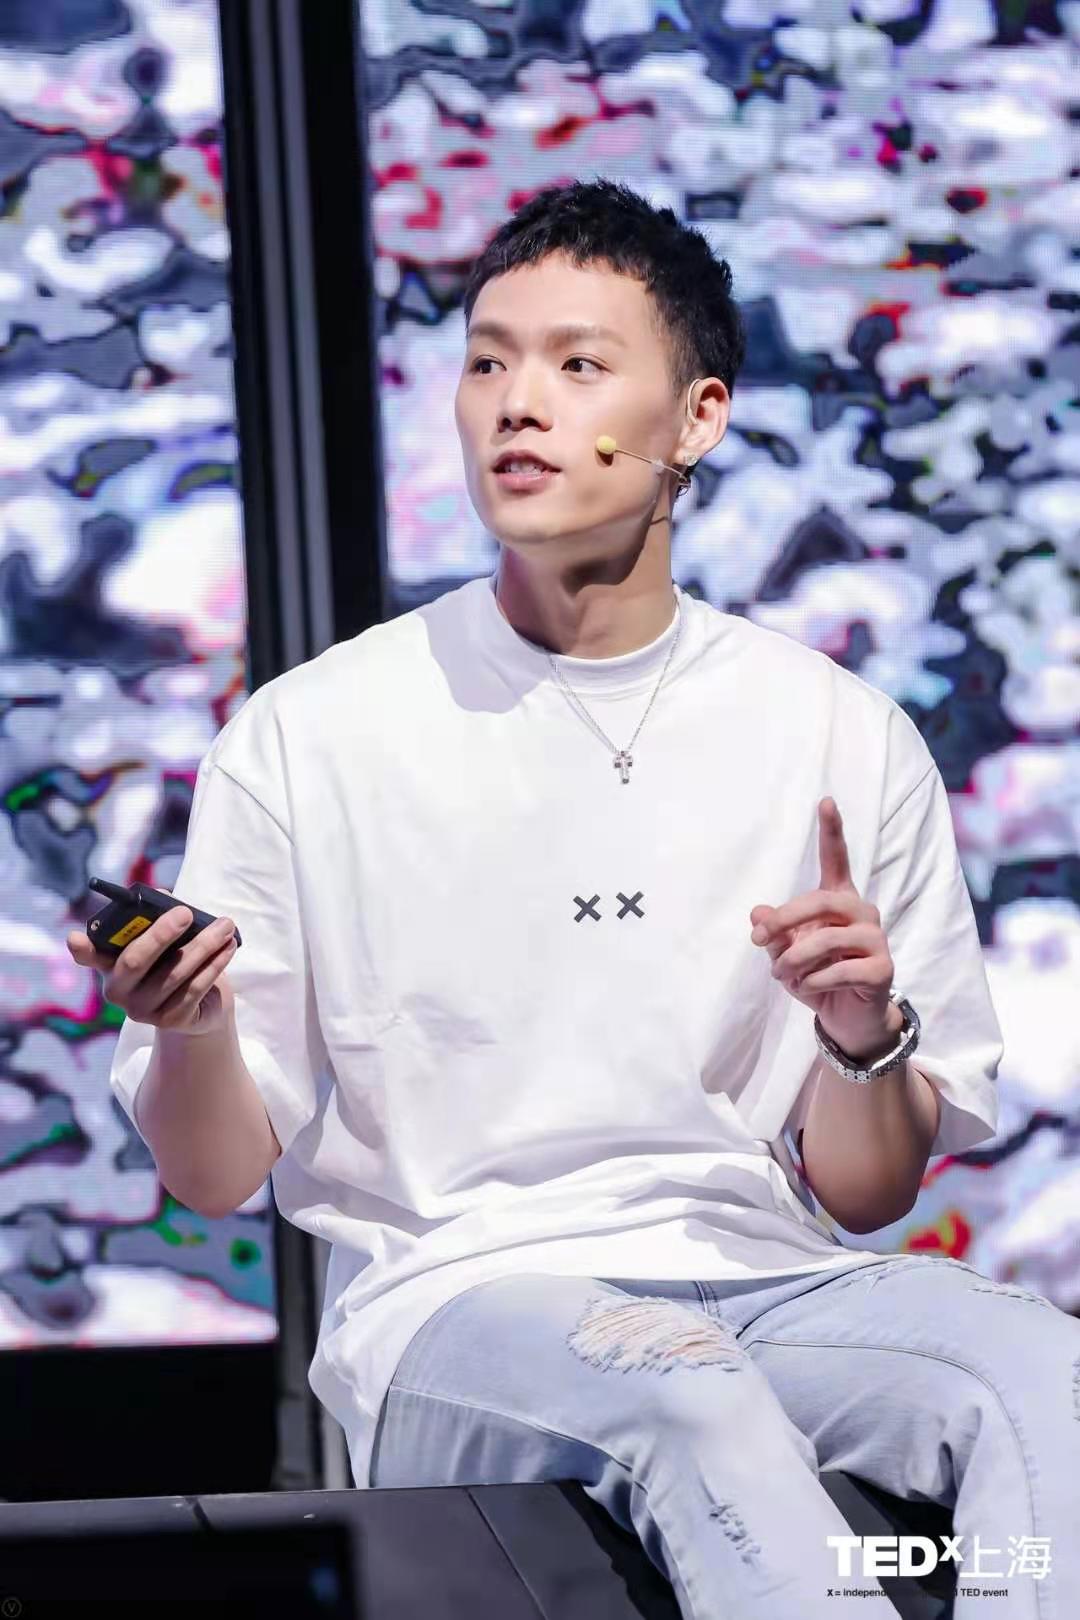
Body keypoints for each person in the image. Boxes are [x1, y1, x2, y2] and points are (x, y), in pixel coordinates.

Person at [71, 181, 1076, 1619]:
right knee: (690, 1398)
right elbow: (215, 1175)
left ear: (699, 420)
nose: (518, 405)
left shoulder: (835, 730)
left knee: (1042, 1373)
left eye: (578, 364)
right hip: (462, 1305)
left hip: (767, 1280)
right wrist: (191, 1030)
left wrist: (863, 1035)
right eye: (488, 361)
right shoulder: (312, 733)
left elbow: (866, 1194)